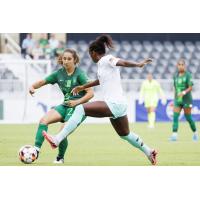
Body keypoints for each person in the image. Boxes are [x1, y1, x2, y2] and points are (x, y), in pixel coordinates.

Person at [43, 34, 158, 165]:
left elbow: (122, 62)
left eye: (89, 54)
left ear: (93, 52)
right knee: (125, 134)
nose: (89, 57)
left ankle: (57, 139)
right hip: (119, 105)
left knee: (80, 108)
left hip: (113, 104)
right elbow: (100, 80)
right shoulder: (101, 65)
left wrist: (138, 64)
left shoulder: (107, 59)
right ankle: (149, 152)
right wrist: (83, 87)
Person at [29, 49, 93, 163]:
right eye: (64, 58)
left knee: (63, 130)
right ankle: (36, 150)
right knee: (43, 120)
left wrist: (77, 102)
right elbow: (42, 82)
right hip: (65, 105)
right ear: (61, 60)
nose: (66, 61)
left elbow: (91, 94)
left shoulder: (80, 74)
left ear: (75, 60)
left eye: (69, 59)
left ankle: (60, 158)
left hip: (79, 108)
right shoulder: (58, 74)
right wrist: (32, 87)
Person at [169, 59, 198, 141]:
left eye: (182, 64)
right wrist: (175, 98)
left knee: (188, 117)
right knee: (175, 116)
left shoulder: (188, 75)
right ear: (177, 66)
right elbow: (175, 87)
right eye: (179, 64)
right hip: (178, 100)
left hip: (187, 100)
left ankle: (195, 133)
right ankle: (174, 135)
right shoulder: (175, 76)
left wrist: (183, 92)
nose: (180, 66)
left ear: (184, 66)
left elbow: (190, 87)